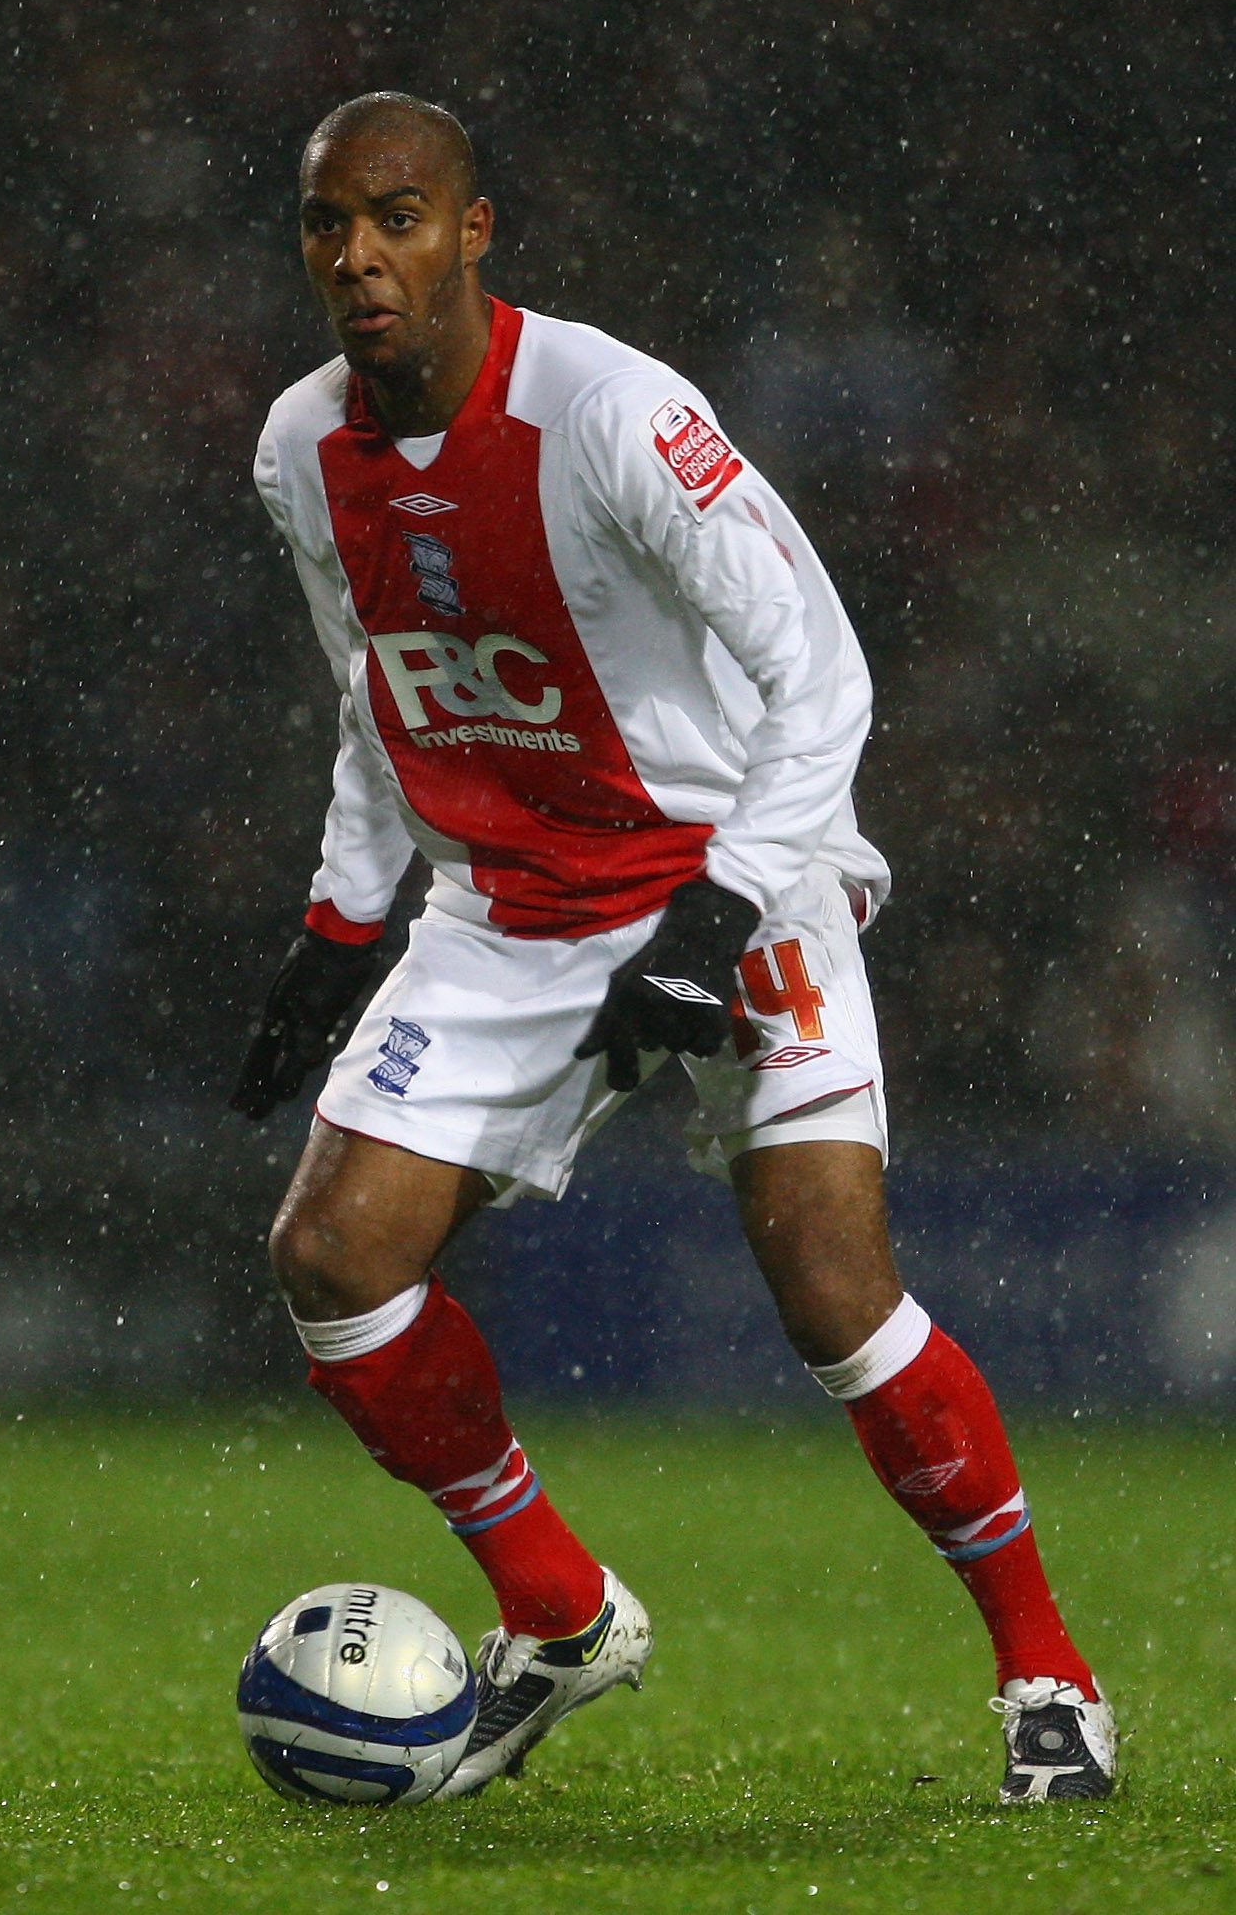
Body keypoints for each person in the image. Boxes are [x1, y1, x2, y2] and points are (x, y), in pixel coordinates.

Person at [231, 90, 1116, 1805]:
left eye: (399, 217)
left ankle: (1047, 1678)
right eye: (330, 224)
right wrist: (343, 918)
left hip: (729, 870)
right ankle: (561, 1615)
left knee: (830, 1283)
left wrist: (718, 913)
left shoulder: (614, 413)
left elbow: (821, 670)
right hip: (507, 910)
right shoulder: (296, 446)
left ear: (473, 232)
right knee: (333, 1259)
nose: (361, 256)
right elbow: (377, 685)